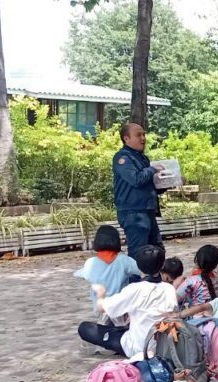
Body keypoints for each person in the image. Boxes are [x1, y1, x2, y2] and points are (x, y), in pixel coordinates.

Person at [77, 245, 176, 358]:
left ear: (138, 265)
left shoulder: (134, 289)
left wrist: (100, 293)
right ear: (162, 265)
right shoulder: (169, 289)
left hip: (137, 347)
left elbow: (102, 308)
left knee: (84, 328)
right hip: (163, 346)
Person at [112, 123, 164, 259]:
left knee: (157, 252)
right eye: (138, 135)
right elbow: (136, 179)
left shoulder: (142, 158)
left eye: (144, 134)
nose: (143, 138)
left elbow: (149, 186)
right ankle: (136, 274)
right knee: (139, 254)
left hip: (147, 211)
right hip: (133, 213)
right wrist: (152, 169)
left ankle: (155, 274)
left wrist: (171, 182)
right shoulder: (123, 158)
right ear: (126, 138)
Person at [75, 225, 140, 317]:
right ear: (116, 241)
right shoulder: (124, 260)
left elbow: (83, 275)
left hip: (100, 309)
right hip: (120, 309)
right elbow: (143, 270)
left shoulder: (90, 262)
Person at [177, 245, 218, 309]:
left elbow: (174, 300)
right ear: (216, 265)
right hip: (215, 314)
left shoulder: (191, 281)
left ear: (197, 261)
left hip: (195, 315)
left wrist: (174, 285)